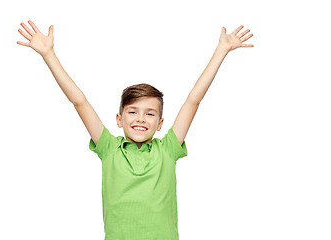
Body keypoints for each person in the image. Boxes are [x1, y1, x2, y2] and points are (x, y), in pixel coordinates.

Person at [17, 20, 254, 240]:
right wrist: (48, 55)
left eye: (150, 113)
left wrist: (221, 50)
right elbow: (79, 101)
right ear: (119, 119)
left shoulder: (168, 149)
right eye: (132, 111)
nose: (141, 118)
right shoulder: (109, 148)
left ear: (160, 123)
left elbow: (193, 100)